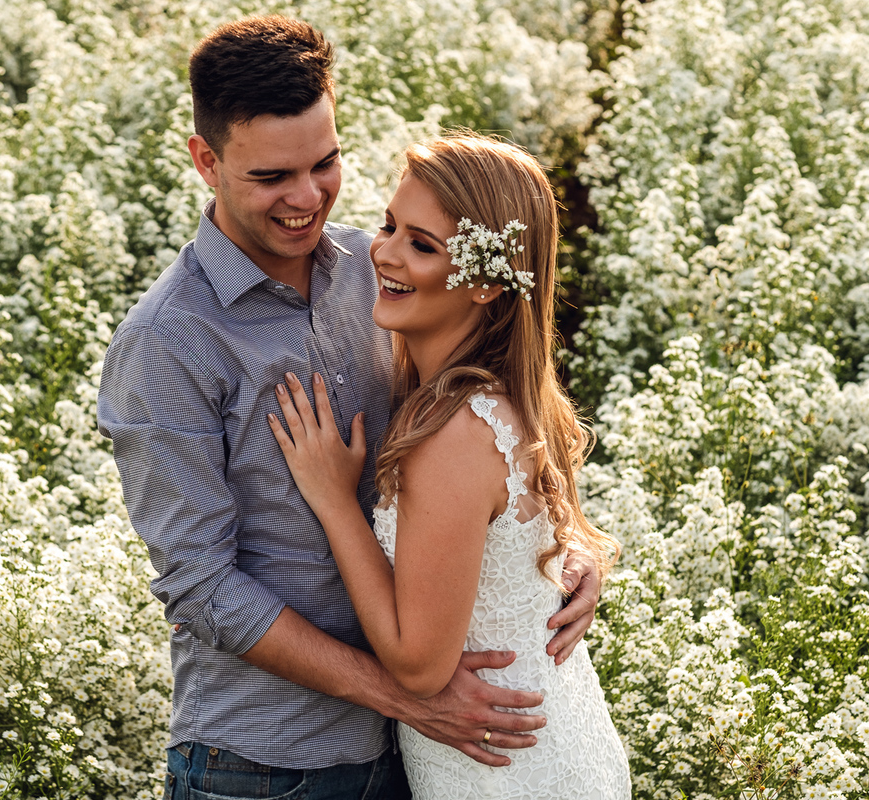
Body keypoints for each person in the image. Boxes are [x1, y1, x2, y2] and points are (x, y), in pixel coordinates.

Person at [97, 16, 604, 800]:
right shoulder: (168, 343)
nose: (307, 199)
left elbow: (491, 430)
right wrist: (406, 693)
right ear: (206, 161)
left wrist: (564, 556)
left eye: (325, 163)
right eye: (271, 177)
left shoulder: (382, 275)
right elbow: (200, 586)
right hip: (266, 764)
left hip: (421, 754)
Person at [266, 132, 631, 798]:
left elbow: (419, 668)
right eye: (389, 225)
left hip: (504, 773)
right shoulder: (501, 398)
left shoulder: (455, 434)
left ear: (489, 284)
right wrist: (575, 558)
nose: (384, 252)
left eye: (422, 245)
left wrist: (332, 500)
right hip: (553, 747)